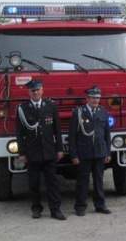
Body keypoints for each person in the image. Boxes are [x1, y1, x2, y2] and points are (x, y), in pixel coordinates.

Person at [16, 79, 66, 220]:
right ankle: (36, 209)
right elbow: (19, 133)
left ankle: (55, 210)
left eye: (38, 90)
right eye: (33, 90)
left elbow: (57, 129)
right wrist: (21, 153)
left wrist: (59, 149)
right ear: (29, 92)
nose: (36, 92)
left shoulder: (50, 106)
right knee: (33, 183)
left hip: (49, 151)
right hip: (32, 152)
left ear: (42, 90)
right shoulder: (23, 109)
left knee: (52, 183)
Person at [68, 86, 112, 216]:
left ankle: (100, 205)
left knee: (99, 180)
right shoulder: (78, 112)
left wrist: (108, 152)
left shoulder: (102, 112)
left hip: (99, 152)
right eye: (93, 98)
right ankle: (80, 206)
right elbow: (72, 135)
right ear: (87, 99)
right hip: (84, 153)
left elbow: (107, 134)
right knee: (83, 181)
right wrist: (73, 154)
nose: (96, 100)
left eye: (98, 98)